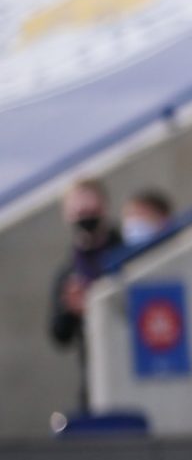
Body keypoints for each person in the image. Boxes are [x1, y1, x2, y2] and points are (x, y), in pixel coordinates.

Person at [47, 176, 118, 412]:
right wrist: (71, 310)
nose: (85, 218)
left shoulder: (128, 253)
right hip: (93, 380)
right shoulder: (67, 273)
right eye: (79, 212)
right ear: (67, 215)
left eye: (91, 210)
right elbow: (59, 334)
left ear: (104, 208)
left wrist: (95, 307)